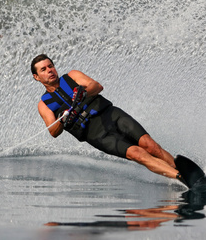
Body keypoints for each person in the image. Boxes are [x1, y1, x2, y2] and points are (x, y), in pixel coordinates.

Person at [31, 54, 183, 182]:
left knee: (151, 146)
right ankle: (180, 177)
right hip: (96, 134)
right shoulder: (44, 104)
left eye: (50, 66)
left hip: (111, 115)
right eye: (43, 69)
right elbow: (53, 131)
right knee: (137, 153)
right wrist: (63, 121)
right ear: (36, 77)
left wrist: (84, 92)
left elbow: (96, 86)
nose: (49, 70)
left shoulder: (72, 76)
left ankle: (183, 170)